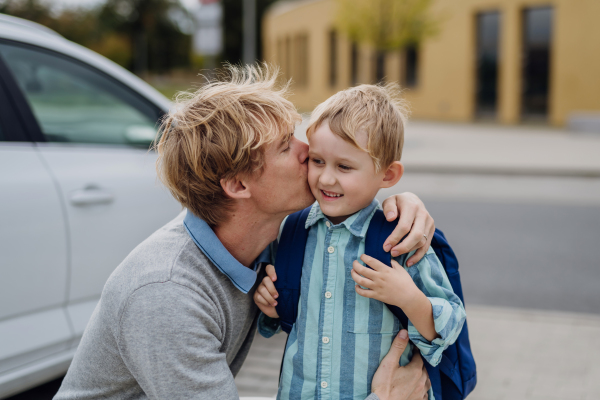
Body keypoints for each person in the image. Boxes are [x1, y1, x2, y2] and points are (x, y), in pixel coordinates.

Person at [54, 65, 434, 400]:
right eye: (286, 146)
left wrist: (396, 203)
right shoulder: (166, 295)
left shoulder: (267, 242)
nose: (308, 150)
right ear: (238, 186)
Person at [254, 84, 466, 400]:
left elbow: (449, 322)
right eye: (317, 161)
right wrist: (269, 305)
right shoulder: (292, 231)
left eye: (344, 167)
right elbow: (284, 315)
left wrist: (409, 298)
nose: (326, 178)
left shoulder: (399, 239)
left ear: (388, 175)